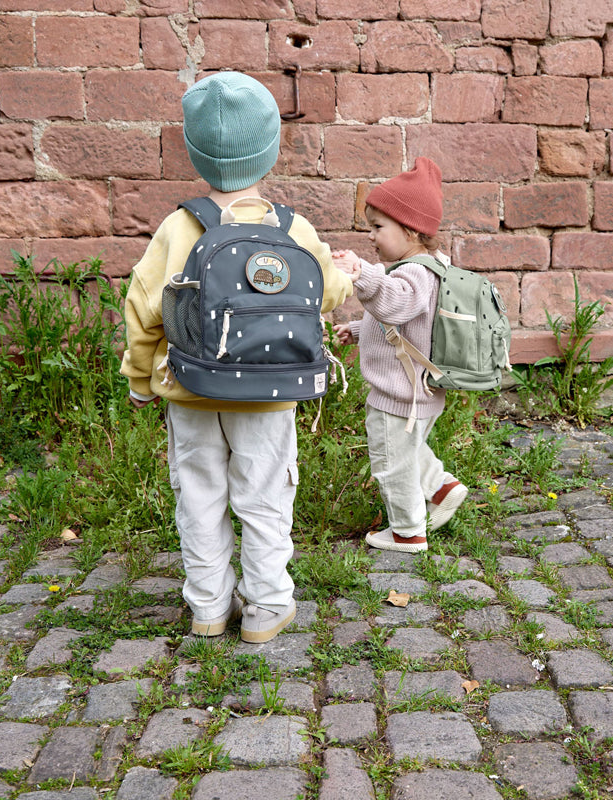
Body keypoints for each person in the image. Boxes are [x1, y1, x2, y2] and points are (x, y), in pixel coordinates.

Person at [121, 72, 353, 642]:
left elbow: (144, 308)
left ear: (195, 152)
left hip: (192, 389)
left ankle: (207, 607)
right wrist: (345, 275)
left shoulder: (178, 226)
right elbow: (327, 293)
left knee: (199, 497)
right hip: (271, 395)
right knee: (265, 498)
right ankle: (267, 606)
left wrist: (141, 379)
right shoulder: (293, 228)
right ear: (270, 150)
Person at [332, 157, 467, 553]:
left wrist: (362, 272)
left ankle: (408, 532)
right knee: (406, 449)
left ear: (410, 229)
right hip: (418, 390)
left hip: (400, 395)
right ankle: (441, 488)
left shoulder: (414, 272)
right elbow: (410, 324)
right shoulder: (433, 267)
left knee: (391, 460)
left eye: (378, 227)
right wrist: (359, 330)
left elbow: (395, 304)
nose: (371, 236)